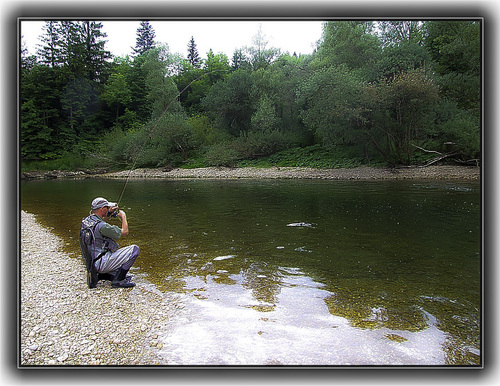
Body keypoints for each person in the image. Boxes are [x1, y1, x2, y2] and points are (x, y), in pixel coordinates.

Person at [80, 197, 139, 288]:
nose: (108, 209)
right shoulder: (102, 226)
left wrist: (109, 213)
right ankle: (118, 281)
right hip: (101, 263)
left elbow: (101, 221)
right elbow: (125, 232)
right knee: (135, 249)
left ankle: (103, 275)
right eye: (107, 208)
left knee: (118, 270)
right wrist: (123, 216)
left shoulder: (87, 221)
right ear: (102, 209)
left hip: (91, 263)